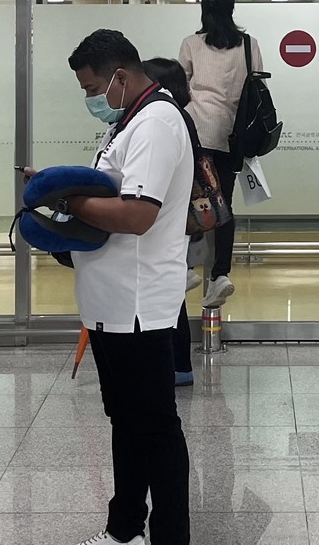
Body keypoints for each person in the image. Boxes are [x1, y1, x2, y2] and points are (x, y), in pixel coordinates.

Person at [29, 29, 192, 545]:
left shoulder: (158, 122)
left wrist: (68, 200)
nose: (89, 98)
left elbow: (138, 214)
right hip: (110, 301)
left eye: (92, 87)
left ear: (120, 76)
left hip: (138, 303)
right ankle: (125, 529)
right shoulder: (129, 121)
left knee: (155, 427)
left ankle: (170, 535)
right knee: (126, 420)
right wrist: (64, 189)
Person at [179, 0, 264, 310]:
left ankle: (187, 267)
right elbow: (258, 88)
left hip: (198, 134)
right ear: (231, 10)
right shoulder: (249, 45)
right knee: (224, 203)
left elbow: (180, 87)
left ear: (205, 10)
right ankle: (221, 274)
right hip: (233, 136)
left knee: (194, 200)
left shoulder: (191, 44)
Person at [143, 57, 202, 388]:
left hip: (168, 219)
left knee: (169, 293)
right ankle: (180, 365)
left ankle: (178, 365)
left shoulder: (165, 117)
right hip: (176, 219)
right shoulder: (180, 115)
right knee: (172, 292)